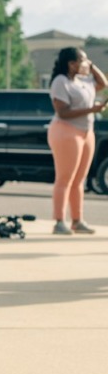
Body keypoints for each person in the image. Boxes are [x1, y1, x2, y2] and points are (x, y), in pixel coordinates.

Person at [47, 47, 107, 235]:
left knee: (79, 179)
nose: (85, 63)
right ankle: (59, 221)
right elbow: (62, 112)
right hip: (66, 132)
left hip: (86, 132)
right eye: (82, 60)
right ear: (71, 64)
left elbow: (103, 83)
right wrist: (92, 110)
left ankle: (77, 220)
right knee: (64, 178)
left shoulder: (84, 81)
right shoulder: (61, 82)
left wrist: (91, 65)